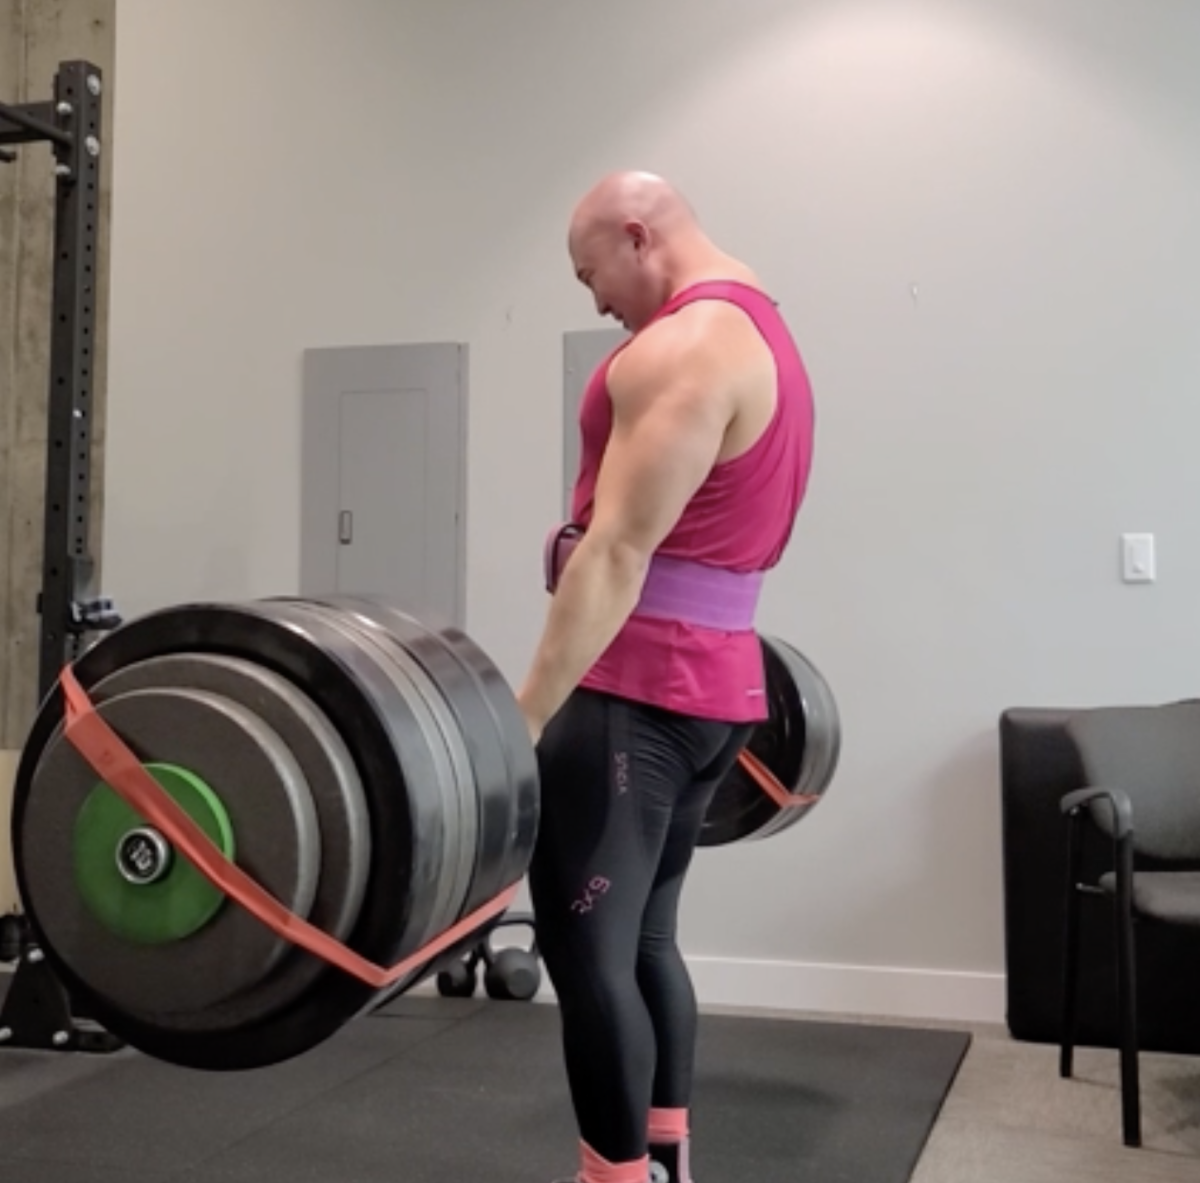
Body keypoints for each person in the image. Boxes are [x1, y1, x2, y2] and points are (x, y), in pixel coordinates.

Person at [516, 171, 815, 1183]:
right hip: (717, 698)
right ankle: (668, 1159)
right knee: (646, 940)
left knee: (587, 952)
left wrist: (523, 719)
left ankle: (614, 1176)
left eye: (590, 272)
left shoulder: (687, 345)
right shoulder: (764, 330)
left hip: (631, 700)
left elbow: (615, 553)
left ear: (637, 236)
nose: (593, 300)